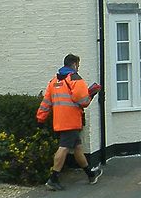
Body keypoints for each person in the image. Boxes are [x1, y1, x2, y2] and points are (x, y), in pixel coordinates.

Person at [37, 53, 102, 190]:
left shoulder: (54, 81)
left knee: (77, 147)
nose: (78, 68)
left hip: (60, 120)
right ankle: (53, 179)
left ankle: (90, 174)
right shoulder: (75, 79)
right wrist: (91, 94)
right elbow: (83, 102)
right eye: (78, 65)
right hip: (71, 120)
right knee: (64, 147)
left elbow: (46, 102)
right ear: (74, 65)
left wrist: (41, 119)